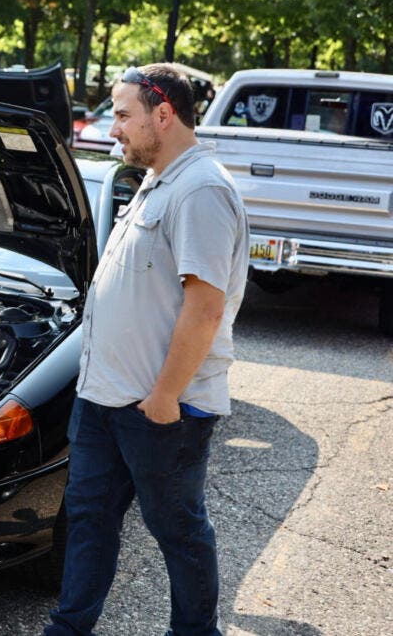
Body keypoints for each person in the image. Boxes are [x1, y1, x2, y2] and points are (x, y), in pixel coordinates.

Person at [45, 64, 249, 636]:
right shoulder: (158, 179)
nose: (114, 128)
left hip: (159, 411)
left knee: (178, 531)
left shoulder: (202, 189)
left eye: (123, 114)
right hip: (105, 401)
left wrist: (165, 397)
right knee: (88, 522)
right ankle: (68, 629)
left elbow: (205, 308)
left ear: (164, 114)